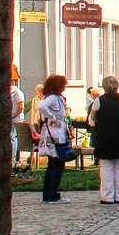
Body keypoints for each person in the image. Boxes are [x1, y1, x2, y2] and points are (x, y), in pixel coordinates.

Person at [90, 75, 119, 203]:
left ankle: (107, 196)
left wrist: (96, 125)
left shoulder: (99, 101)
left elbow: (92, 119)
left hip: (105, 137)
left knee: (106, 167)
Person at [38, 74, 70, 204]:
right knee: (56, 165)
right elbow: (41, 106)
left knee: (53, 165)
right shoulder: (52, 98)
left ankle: (49, 193)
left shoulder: (57, 98)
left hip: (56, 133)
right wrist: (52, 117)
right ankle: (52, 194)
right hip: (54, 135)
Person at [10, 73, 24, 164]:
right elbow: (20, 106)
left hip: (15, 118)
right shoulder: (18, 92)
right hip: (13, 117)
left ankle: (13, 159)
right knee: (12, 137)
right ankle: (12, 158)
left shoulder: (17, 92)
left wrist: (14, 115)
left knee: (13, 137)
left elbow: (21, 106)